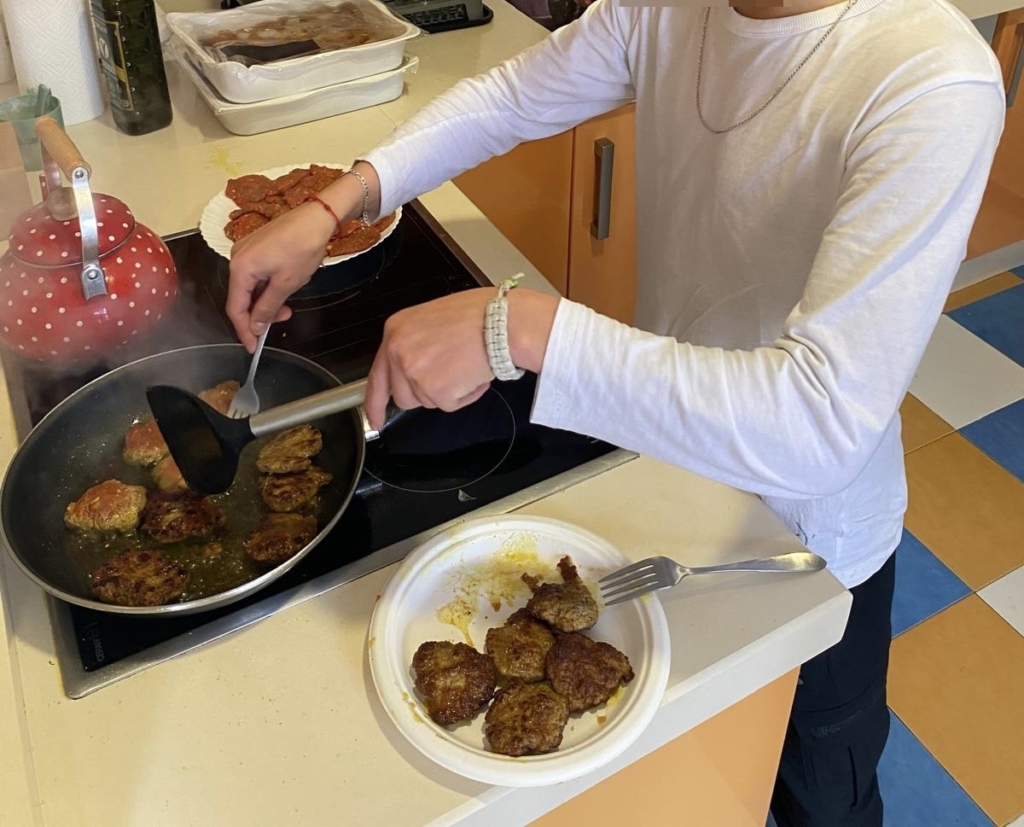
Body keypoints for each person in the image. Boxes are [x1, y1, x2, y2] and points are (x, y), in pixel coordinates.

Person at [226, 0, 1005, 822]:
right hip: (666, 468)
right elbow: (511, 96)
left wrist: (522, 328)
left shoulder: (928, 75)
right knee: (713, 771)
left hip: (804, 540)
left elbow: (819, 424)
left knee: (826, 791)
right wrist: (337, 202)